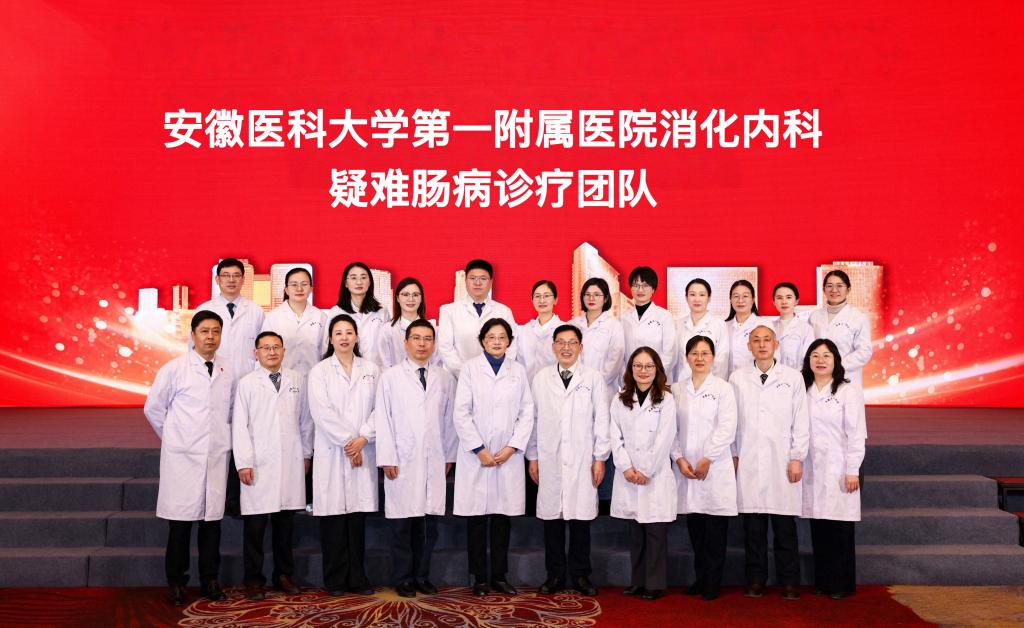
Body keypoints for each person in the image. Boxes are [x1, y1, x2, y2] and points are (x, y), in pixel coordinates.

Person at [144, 310, 234, 607]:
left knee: (212, 525)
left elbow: (230, 410)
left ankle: (210, 580)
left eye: (216, 331)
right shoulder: (174, 369)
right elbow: (153, 408)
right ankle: (177, 583)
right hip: (183, 458)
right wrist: (174, 438)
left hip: (215, 455)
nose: (211, 337)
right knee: (180, 526)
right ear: (193, 335)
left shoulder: (227, 369)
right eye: (205, 331)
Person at [374, 319, 458, 598]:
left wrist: (449, 455)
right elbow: (383, 419)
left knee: (427, 526)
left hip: (434, 458)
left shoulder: (444, 378)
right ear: (406, 342)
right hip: (401, 460)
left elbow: (450, 420)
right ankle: (403, 578)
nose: (422, 344)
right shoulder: (390, 377)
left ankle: (422, 576)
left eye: (427, 339)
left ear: (434, 344)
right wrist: (387, 456)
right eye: (416, 338)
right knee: (402, 526)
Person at [453, 318, 534, 596]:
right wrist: (479, 449)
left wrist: (512, 447)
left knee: (502, 519)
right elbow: (461, 412)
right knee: (476, 520)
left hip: (507, 456)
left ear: (509, 341)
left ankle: (499, 576)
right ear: (482, 341)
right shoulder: (469, 369)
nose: (497, 342)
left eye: (502, 337)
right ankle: (479, 578)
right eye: (491, 337)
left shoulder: (518, 371)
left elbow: (527, 412)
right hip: (477, 456)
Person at [527, 324, 610, 597]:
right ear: (553, 347)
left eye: (572, 342)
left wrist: (600, 458)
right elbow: (532, 420)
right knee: (552, 521)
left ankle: (581, 575)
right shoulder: (541, 378)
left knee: (580, 520)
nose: (566, 347)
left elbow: (602, 420)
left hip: (583, 458)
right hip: (549, 458)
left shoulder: (593, 378)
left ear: (581, 347)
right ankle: (554, 575)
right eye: (561, 342)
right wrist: (533, 457)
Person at [730, 325, 809, 600]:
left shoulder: (793, 378)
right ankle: (756, 580)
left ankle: (790, 582)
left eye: (767, 340)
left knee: (785, 528)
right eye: (756, 340)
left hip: (782, 461)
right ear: (749, 346)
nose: (762, 345)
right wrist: (734, 454)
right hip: (749, 460)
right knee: (753, 529)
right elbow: (731, 422)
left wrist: (797, 457)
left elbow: (801, 421)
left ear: (776, 344)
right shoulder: (737, 378)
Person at [232, 331, 314, 600]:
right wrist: (244, 462)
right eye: (265, 348)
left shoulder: (297, 380)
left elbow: (305, 421)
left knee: (285, 526)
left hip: (290, 461)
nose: (271, 352)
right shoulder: (247, 383)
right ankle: (253, 579)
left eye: (276, 347)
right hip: (258, 463)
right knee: (255, 528)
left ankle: (283, 575)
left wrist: (306, 454)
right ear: (256, 353)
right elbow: (240, 426)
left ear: (283, 351)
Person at [307, 314, 379, 596]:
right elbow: (321, 412)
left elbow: (380, 409)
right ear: (330, 339)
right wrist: (350, 442)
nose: (344, 337)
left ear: (357, 337)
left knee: (357, 521)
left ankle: (358, 578)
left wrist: (363, 438)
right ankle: (335, 580)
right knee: (334, 520)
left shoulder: (371, 369)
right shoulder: (320, 371)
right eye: (338, 333)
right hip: (333, 450)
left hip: (363, 448)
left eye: (349, 332)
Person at [671, 335, 737, 601]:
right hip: (687, 467)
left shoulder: (723, 389)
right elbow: (670, 429)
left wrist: (707, 458)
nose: (699, 358)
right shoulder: (677, 389)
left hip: (715, 466)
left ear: (713, 358)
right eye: (694, 353)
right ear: (687, 358)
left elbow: (727, 427)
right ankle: (700, 579)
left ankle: (713, 582)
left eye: (705, 353)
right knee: (696, 527)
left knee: (715, 530)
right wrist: (679, 458)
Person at [609, 347, 677, 601]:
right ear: (630, 369)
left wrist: (646, 470)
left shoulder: (666, 399)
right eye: (638, 366)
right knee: (636, 532)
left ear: (657, 369)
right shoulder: (619, 399)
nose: (643, 371)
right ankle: (637, 581)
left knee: (655, 532)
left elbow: (665, 437)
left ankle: (654, 584)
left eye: (649, 366)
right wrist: (626, 467)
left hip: (654, 474)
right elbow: (615, 436)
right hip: (629, 474)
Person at [801, 339, 867, 600]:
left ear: (836, 361)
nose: (820, 360)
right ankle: (823, 580)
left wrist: (852, 469)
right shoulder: (803, 390)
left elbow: (856, 434)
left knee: (840, 529)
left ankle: (842, 583)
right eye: (815, 355)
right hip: (812, 468)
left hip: (840, 468)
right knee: (819, 526)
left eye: (826, 356)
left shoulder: (847, 391)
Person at [438, 259, 518, 378]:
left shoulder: (504, 311)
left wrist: (496, 372)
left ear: (491, 282)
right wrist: (467, 374)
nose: (478, 283)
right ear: (465, 281)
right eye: (472, 278)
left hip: (496, 377)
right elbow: (445, 348)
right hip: (459, 378)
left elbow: (511, 346)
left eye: (483, 278)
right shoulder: (448, 310)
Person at [194, 257, 265, 382]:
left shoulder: (256, 311)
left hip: (247, 379)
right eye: (226, 275)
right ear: (217, 279)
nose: (231, 280)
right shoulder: (203, 310)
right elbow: (193, 348)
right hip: (212, 379)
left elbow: (263, 348)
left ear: (243, 279)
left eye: (236, 275)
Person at [807, 270, 874, 390]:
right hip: (818, 377)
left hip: (846, 377)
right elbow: (808, 347)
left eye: (839, 286)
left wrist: (836, 365)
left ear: (848, 289)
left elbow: (864, 351)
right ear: (824, 289)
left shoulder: (858, 317)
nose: (834, 290)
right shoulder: (814, 317)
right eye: (829, 286)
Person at [261, 267, 328, 376]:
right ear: (286, 290)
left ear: (311, 288)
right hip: (282, 379)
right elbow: (264, 351)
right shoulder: (273, 317)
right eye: (294, 284)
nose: (299, 289)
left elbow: (326, 352)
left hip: (313, 379)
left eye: (304, 284)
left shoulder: (321, 317)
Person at [569, 278, 625, 399]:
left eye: (596, 294)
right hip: (575, 388)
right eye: (587, 294)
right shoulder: (572, 325)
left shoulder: (614, 325)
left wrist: (595, 383)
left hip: (604, 389)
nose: (591, 298)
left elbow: (615, 360)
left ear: (605, 298)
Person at [326, 262, 389, 367]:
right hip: (346, 370)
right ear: (346, 283)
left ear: (370, 282)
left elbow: (387, 345)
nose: (359, 282)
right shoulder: (336, 312)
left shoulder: (382, 311)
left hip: (377, 369)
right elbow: (327, 345)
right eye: (353, 278)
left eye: (363, 278)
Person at [621, 267, 676, 376]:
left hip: (658, 378)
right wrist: (627, 376)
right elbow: (619, 353)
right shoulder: (623, 318)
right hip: (631, 378)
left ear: (653, 289)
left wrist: (655, 376)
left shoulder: (664, 316)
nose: (640, 290)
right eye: (636, 285)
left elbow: (670, 352)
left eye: (645, 285)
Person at [377, 277, 439, 369]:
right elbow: (384, 363)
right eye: (405, 295)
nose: (411, 299)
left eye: (415, 295)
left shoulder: (433, 329)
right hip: (395, 377)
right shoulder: (387, 329)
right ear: (397, 298)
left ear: (421, 298)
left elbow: (436, 362)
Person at [674, 278, 729, 382]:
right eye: (692, 294)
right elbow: (674, 360)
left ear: (709, 298)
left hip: (710, 384)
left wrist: (716, 385)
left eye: (702, 295)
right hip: (682, 383)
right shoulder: (677, 324)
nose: (697, 299)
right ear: (686, 297)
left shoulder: (719, 324)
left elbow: (722, 360)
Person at [516, 280, 563, 382]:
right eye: (537, 296)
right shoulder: (523, 331)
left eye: (546, 296)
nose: (541, 300)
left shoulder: (565, 330)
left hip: (556, 388)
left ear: (555, 300)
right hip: (527, 388)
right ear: (532, 301)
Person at [724, 279, 765, 377]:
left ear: (753, 299)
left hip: (755, 381)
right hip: (728, 381)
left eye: (745, 296)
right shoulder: (724, 326)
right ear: (730, 300)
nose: (740, 300)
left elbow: (772, 357)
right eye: (736, 296)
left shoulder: (764, 324)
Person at [772, 282, 814, 370]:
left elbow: (808, 359)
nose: (784, 302)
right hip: (773, 375)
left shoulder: (806, 329)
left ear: (796, 301)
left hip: (798, 375)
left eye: (788, 297)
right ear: (774, 302)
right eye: (779, 298)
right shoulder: (769, 327)